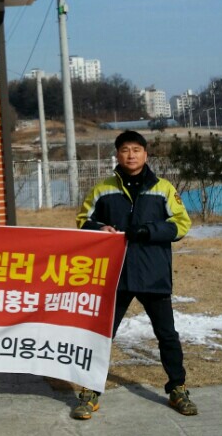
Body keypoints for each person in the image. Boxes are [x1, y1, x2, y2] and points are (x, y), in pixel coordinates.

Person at [74, 130, 197, 419]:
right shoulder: (102, 189)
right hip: (115, 274)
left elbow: (181, 224)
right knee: (101, 335)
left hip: (153, 274)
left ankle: (178, 388)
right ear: (117, 155)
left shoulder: (163, 188)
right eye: (125, 150)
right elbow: (82, 220)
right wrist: (99, 228)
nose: (131, 155)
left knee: (167, 335)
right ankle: (90, 391)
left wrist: (148, 231)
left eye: (136, 149)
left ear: (145, 154)